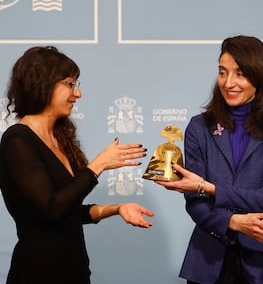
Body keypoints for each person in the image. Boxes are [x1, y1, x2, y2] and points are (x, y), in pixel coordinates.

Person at [156, 35, 263, 284]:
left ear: (259, 76)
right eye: (222, 72)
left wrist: (210, 188)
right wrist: (233, 222)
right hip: (209, 258)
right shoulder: (199, 126)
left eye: (240, 74)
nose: (228, 83)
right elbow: (195, 202)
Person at [0, 46, 154, 284]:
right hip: (38, 274)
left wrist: (117, 208)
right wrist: (98, 165)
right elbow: (51, 209)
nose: (78, 94)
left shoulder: (59, 139)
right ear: (44, 83)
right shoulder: (17, 140)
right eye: (70, 84)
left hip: (76, 273)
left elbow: (69, 212)